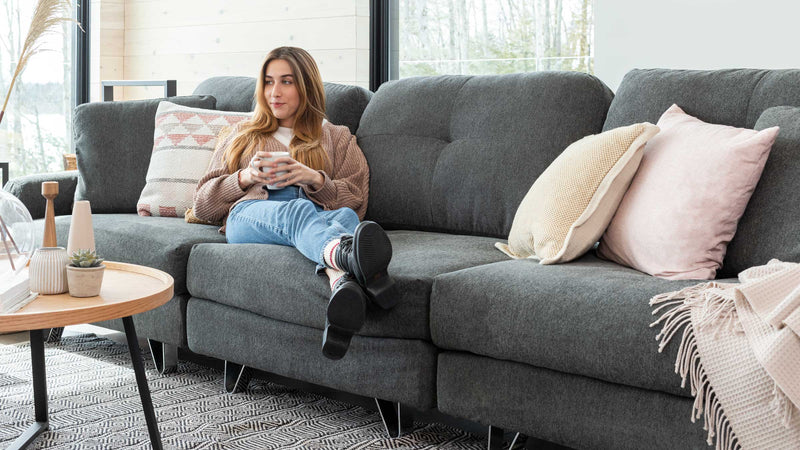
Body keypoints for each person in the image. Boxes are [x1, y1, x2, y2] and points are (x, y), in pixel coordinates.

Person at [193, 46, 395, 360]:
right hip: (250, 214)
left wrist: (314, 179)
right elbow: (204, 205)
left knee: (343, 216)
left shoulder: (336, 137)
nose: (275, 92)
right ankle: (345, 254)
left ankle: (343, 282)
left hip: (316, 216)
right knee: (301, 212)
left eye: (286, 82)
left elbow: (356, 198)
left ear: (306, 86)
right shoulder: (241, 134)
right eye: (269, 82)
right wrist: (246, 177)